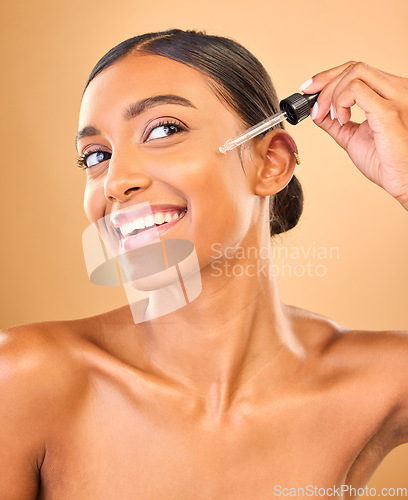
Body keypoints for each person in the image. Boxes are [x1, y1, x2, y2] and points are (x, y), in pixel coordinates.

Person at [1, 29, 407, 499]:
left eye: (163, 129)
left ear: (270, 163)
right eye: (97, 155)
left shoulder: (375, 382)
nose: (116, 181)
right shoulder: (26, 379)